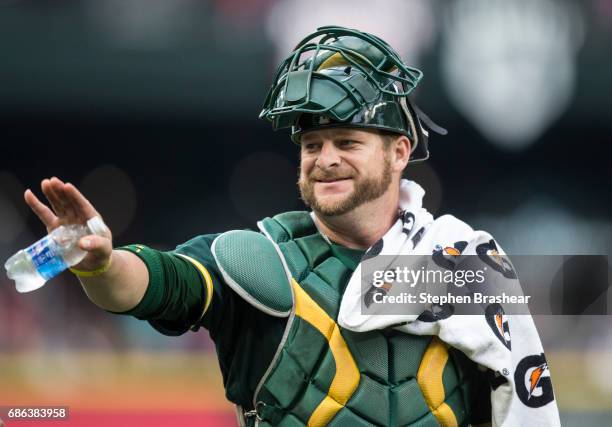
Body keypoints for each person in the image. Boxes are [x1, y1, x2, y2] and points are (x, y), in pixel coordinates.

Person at [24, 27, 559, 426]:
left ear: (399, 153)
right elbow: (157, 283)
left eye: (347, 142)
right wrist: (102, 265)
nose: (325, 159)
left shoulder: (462, 263)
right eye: (311, 145)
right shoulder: (259, 261)